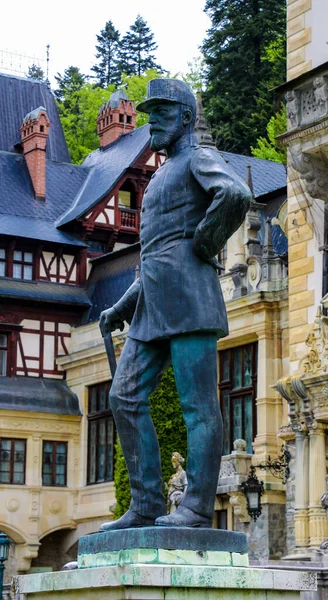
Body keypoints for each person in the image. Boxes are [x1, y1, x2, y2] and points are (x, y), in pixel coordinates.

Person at [99, 78, 252, 530]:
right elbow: (154, 259)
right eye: (148, 114)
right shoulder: (160, 174)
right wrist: (122, 306)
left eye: (161, 113)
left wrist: (203, 244)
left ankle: (197, 507)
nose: (151, 123)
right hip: (153, 308)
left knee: (197, 406)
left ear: (185, 117)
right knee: (123, 396)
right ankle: (146, 503)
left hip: (191, 301)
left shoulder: (198, 157)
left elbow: (236, 194)